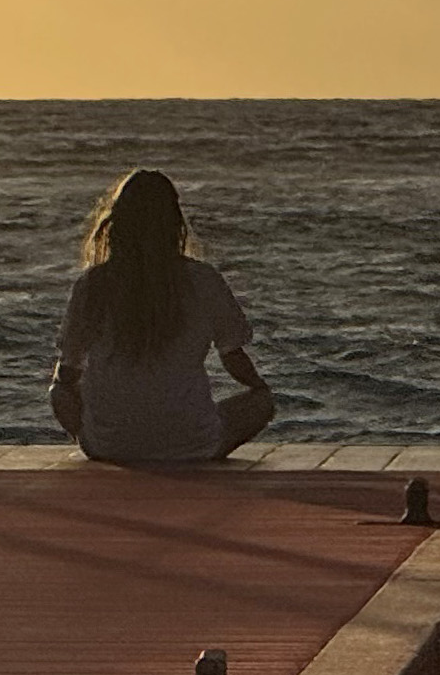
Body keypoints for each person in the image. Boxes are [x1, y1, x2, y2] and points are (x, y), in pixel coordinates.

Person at [49, 169, 277, 464]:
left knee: (59, 393)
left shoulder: (94, 284)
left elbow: (68, 370)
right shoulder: (203, 279)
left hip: (108, 446)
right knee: (261, 403)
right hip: (193, 444)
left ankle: (116, 442)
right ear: (174, 223)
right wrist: (259, 387)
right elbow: (233, 356)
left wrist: (71, 386)